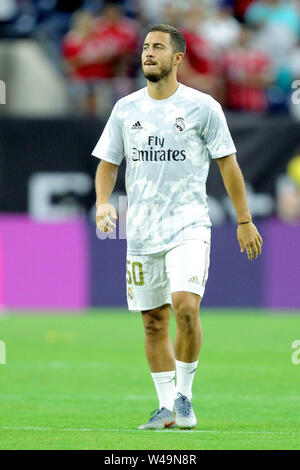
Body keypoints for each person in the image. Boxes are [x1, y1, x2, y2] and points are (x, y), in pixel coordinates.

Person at [92, 24, 263, 430]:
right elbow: (108, 164)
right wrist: (102, 203)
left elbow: (228, 164)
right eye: (145, 47)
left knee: (186, 307)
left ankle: (185, 397)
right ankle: (165, 406)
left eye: (157, 48)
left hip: (188, 225)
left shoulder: (203, 107)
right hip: (142, 232)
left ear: (178, 58)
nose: (148, 53)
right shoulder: (125, 108)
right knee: (153, 321)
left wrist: (244, 220)